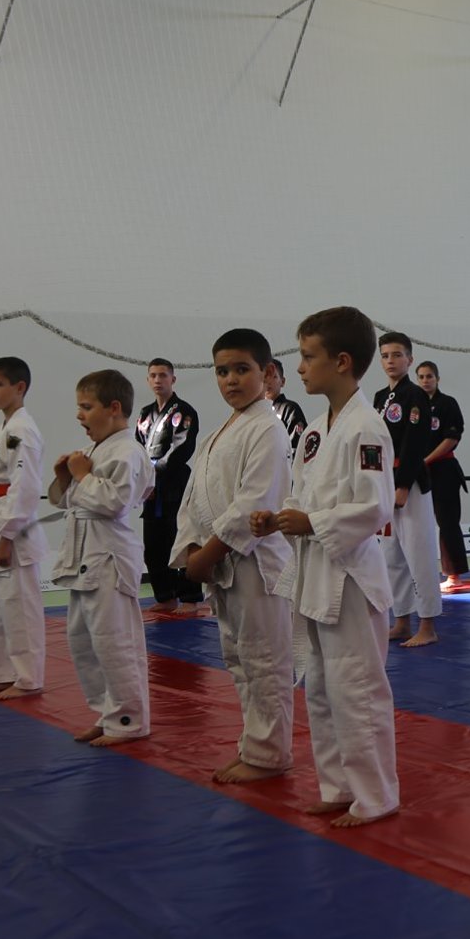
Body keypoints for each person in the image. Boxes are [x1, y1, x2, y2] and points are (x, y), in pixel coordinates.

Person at [253, 306, 399, 828]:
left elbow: (375, 506)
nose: (299, 367)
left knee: (357, 688)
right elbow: (302, 496)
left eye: (307, 356)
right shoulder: (315, 430)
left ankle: (376, 795)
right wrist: (279, 517)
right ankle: (338, 787)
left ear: (341, 362)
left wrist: (310, 522)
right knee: (321, 687)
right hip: (315, 574)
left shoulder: (367, 428)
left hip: (351, 577)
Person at [174, 329, 296, 784]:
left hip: (256, 563)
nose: (230, 380)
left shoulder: (268, 427)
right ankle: (254, 745)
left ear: (267, 373)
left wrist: (207, 554)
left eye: (242, 369)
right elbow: (192, 500)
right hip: (223, 564)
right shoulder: (218, 432)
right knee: (239, 659)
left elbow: (254, 502)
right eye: (222, 371)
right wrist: (191, 547)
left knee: (264, 661)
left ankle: (270, 754)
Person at [51, 369, 154, 747]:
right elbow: (64, 501)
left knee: (114, 642)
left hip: (110, 557)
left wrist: (82, 476)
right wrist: (65, 476)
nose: (79, 415)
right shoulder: (95, 450)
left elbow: (115, 502)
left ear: (113, 408)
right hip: (84, 555)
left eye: (86, 407)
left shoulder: (128, 451)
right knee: (84, 642)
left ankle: (128, 720)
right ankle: (108, 713)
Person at [0, 357, 48, 700]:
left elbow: (25, 486)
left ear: (20, 387)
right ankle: (5, 674)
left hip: (13, 529)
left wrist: (7, 536)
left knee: (20, 609)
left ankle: (28, 679)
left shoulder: (22, 431)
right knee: (0, 608)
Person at [373, 333, 439, 647]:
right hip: (384, 480)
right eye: (385, 355)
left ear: (409, 360)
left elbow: (415, 443)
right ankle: (401, 619)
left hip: (410, 483)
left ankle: (427, 625)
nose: (391, 361)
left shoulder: (415, 396)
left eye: (397, 355)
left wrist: (402, 484)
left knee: (419, 553)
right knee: (392, 556)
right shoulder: (379, 397)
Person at [135, 359, 202, 613]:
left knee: (181, 539)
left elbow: (181, 448)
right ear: (147, 380)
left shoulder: (184, 411)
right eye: (153, 375)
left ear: (173, 379)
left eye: (163, 375)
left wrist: (154, 474)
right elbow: (137, 449)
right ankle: (165, 596)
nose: (157, 380)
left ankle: (189, 597)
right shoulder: (145, 414)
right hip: (150, 488)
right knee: (153, 544)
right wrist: (144, 478)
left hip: (175, 484)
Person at [415, 360, 470, 592]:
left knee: (447, 521)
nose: (425, 380)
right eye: (421, 377)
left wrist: (426, 460)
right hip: (417, 471)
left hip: (444, 469)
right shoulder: (414, 406)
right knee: (415, 523)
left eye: (429, 376)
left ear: (437, 379)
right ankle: (419, 573)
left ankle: (453, 574)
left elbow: (451, 438)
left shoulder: (447, 403)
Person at [264, 357, 307, 451]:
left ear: (282, 382)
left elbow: (296, 447)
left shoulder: (290, 409)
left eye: (274, 377)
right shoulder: (256, 412)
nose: (268, 381)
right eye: (265, 377)